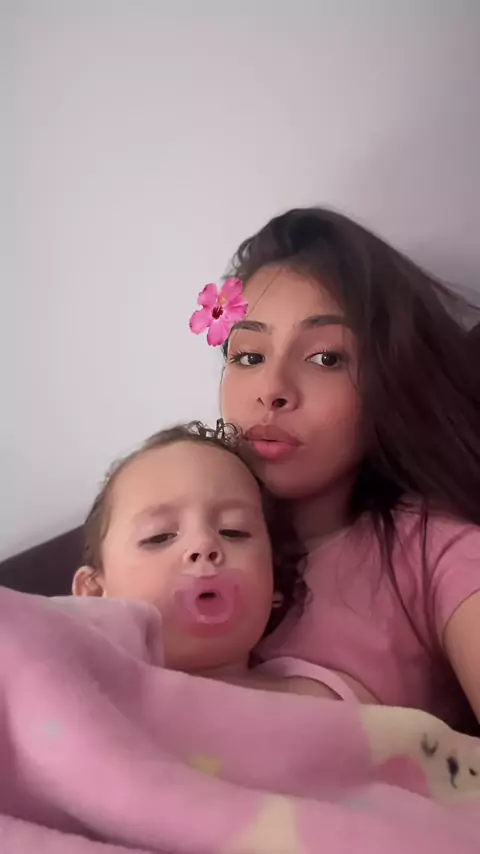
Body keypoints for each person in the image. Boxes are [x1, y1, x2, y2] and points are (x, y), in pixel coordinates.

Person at [218, 206, 480, 730]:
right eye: (248, 356)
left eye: (326, 358)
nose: (272, 390)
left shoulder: (437, 552)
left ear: (389, 380)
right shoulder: (180, 531)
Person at [73, 420, 368, 702]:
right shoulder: (85, 696)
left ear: (275, 581)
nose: (203, 545)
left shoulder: (321, 699)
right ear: (94, 594)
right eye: (159, 536)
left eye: (233, 531)